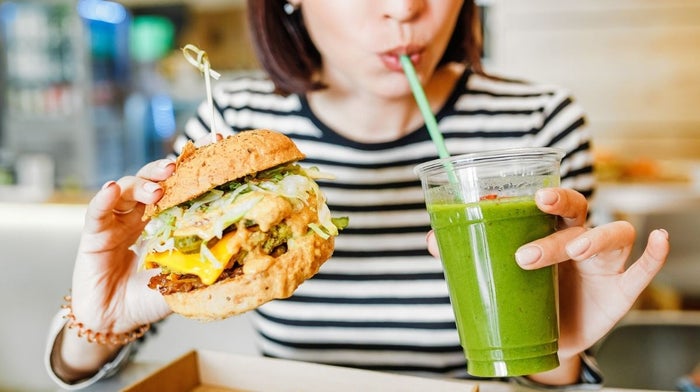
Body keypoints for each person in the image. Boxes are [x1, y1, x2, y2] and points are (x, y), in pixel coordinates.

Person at [45, 0, 670, 389]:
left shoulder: (538, 123)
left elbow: (544, 375)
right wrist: (99, 320)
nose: (405, 8)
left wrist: (557, 346)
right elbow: (88, 375)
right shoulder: (230, 118)